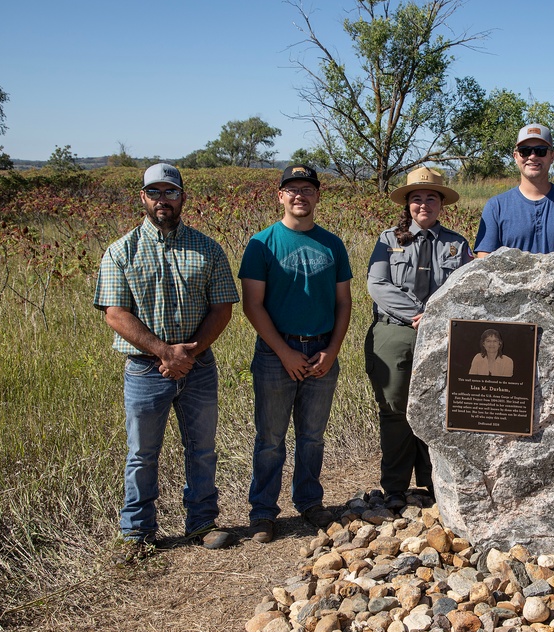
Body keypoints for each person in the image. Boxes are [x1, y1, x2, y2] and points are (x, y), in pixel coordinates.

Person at [94, 163, 239, 560]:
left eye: (170, 192)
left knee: (203, 448)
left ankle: (202, 523)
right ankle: (138, 533)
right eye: (155, 192)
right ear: (142, 198)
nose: (163, 200)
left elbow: (222, 307)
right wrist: (164, 352)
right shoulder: (121, 250)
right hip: (145, 369)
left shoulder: (207, 248)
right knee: (142, 453)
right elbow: (115, 314)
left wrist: (187, 354)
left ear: (182, 198)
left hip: (198, 366)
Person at [239, 164, 352, 540]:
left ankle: (309, 501)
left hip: (321, 349)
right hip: (276, 352)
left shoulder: (332, 244)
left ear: (318, 196)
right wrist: (284, 352)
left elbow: (344, 302)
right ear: (280, 196)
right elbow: (252, 304)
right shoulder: (263, 243)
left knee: (312, 436)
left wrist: (332, 350)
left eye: (307, 189)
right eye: (292, 189)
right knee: (270, 438)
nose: (300, 195)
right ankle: (264, 512)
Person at [365, 167, 473, 510]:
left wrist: (435, 315)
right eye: (416, 198)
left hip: (441, 335)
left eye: (431, 198)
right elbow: (378, 285)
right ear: (407, 204)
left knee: (439, 408)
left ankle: (432, 482)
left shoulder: (457, 244)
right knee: (395, 407)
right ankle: (395, 486)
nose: (423, 204)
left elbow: (466, 288)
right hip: (395, 331)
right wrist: (418, 313)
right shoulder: (388, 241)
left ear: (441, 204)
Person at [474, 123, 554, 257]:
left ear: (552, 156)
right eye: (525, 151)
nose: (532, 156)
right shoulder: (496, 207)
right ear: (515, 156)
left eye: (540, 150)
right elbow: (484, 266)